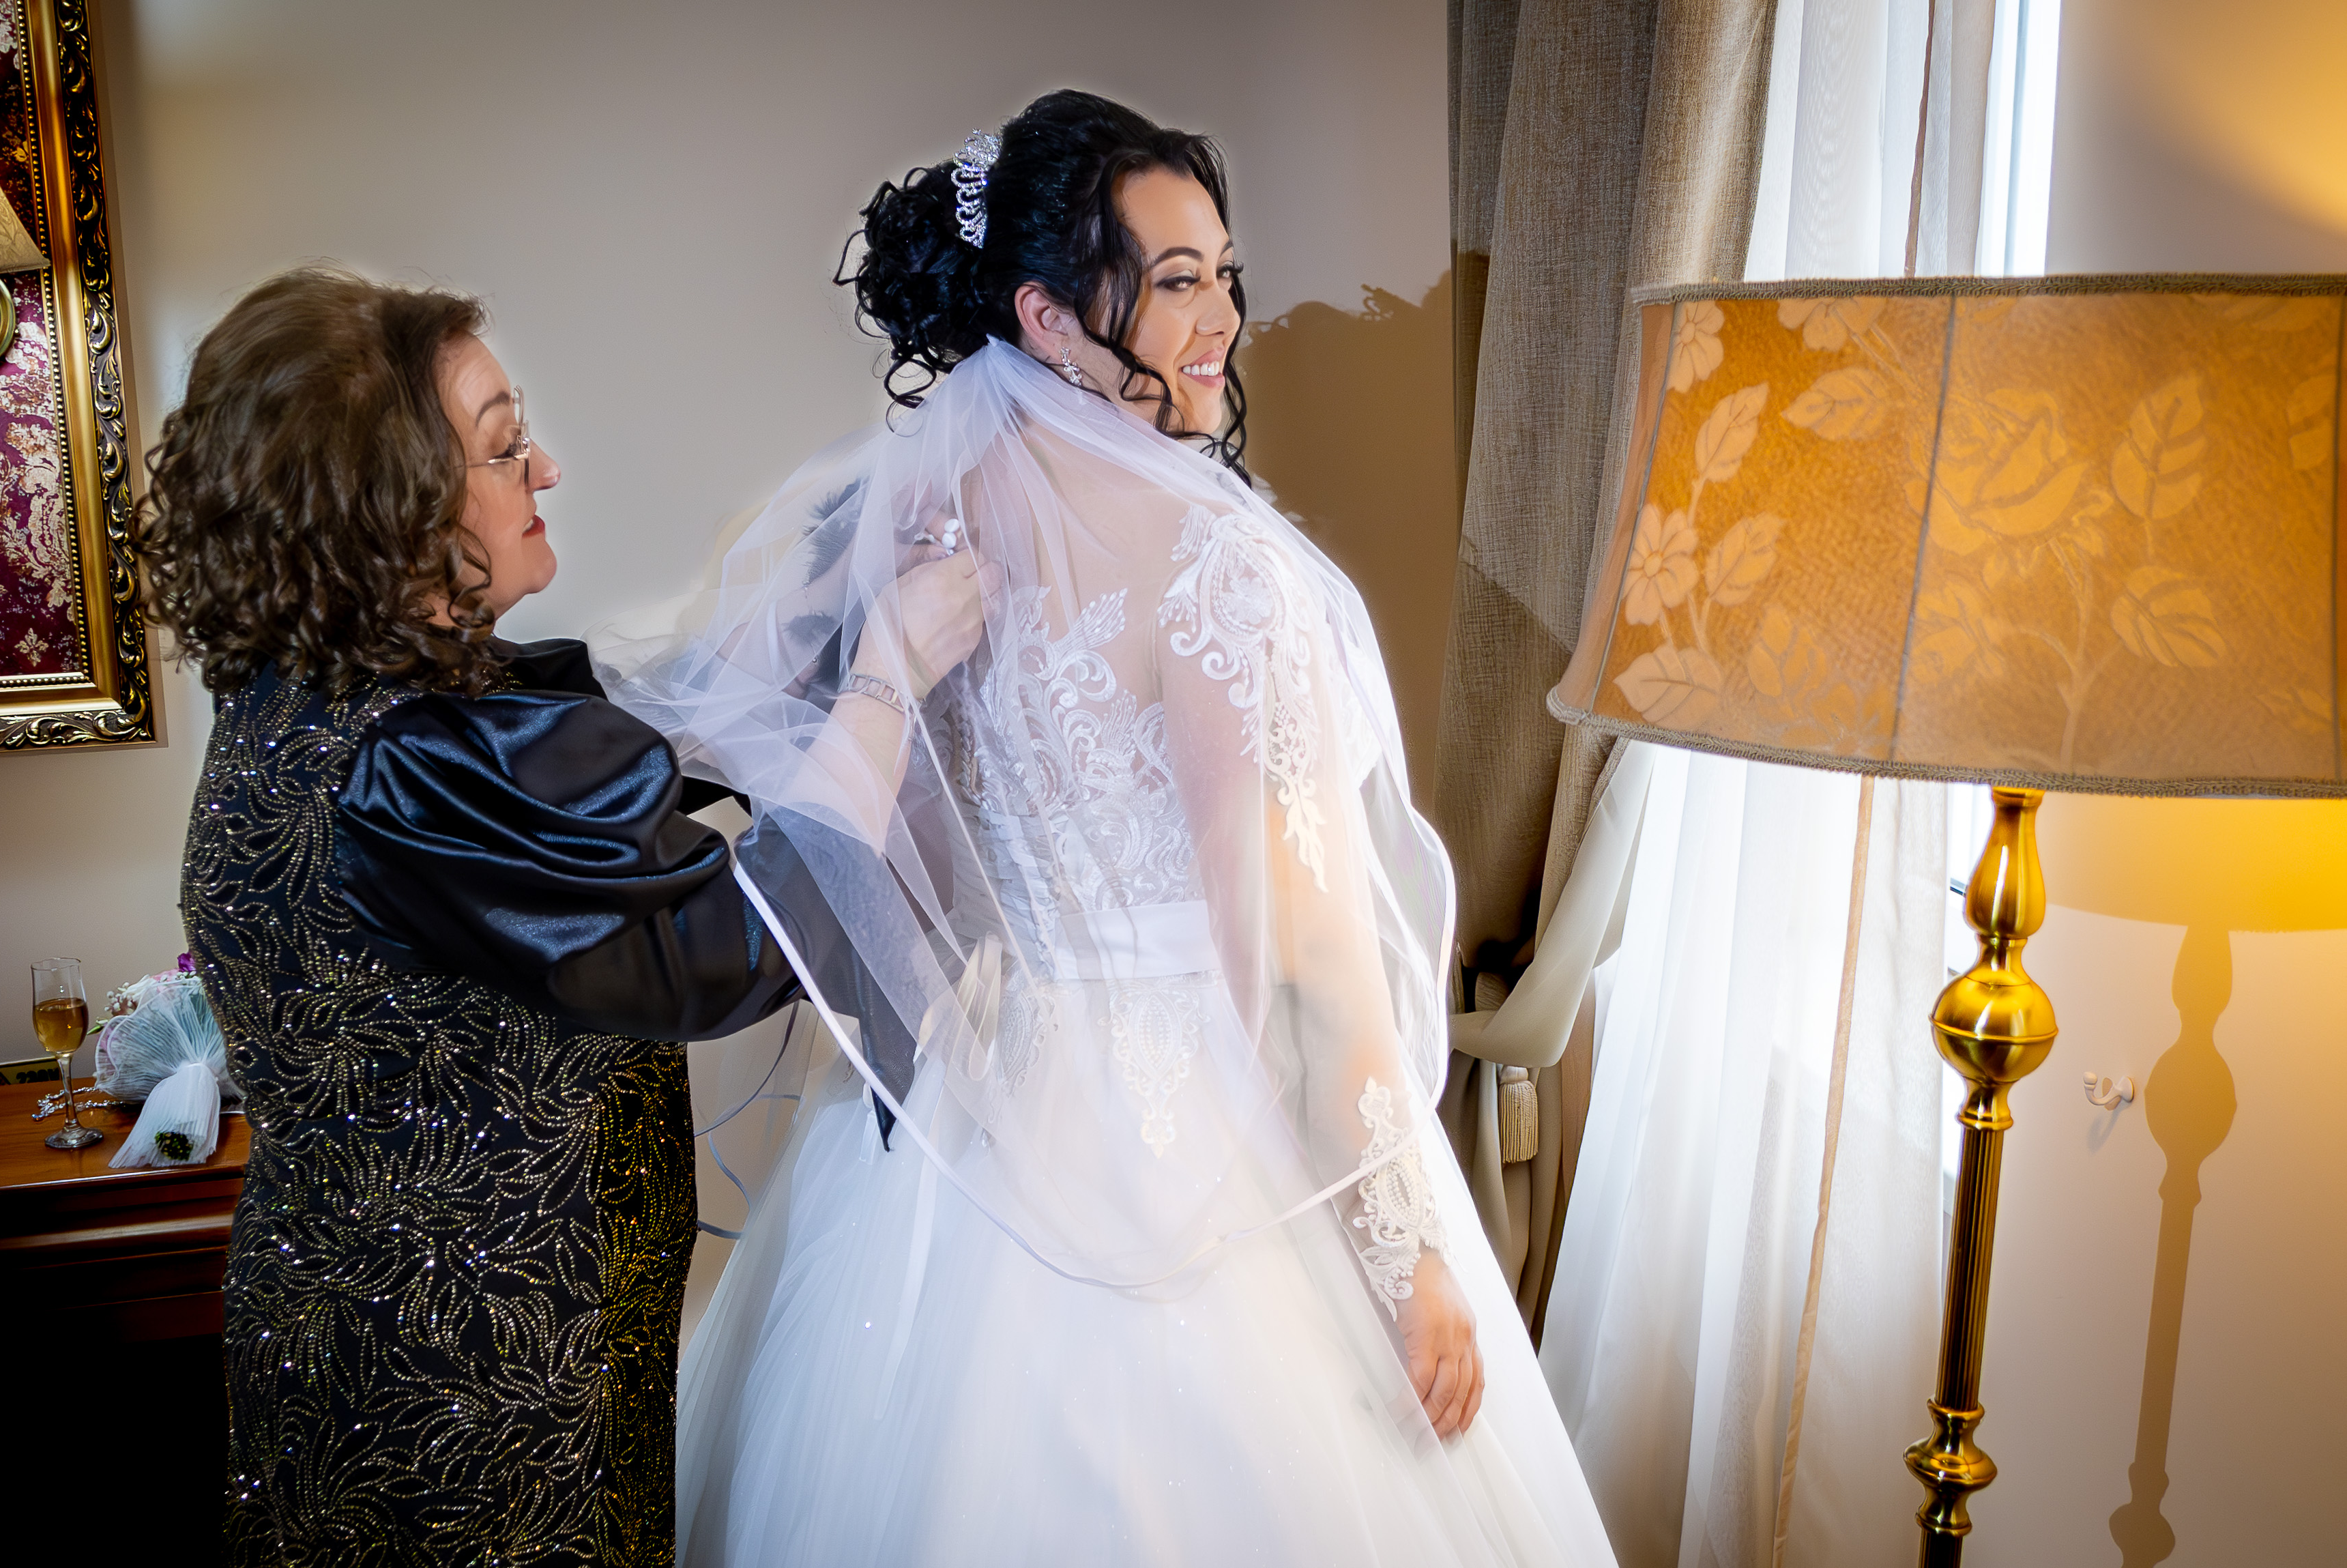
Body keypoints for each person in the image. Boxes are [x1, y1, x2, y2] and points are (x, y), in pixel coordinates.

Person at [599, 92, 1618, 1565]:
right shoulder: (1219, 568)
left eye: (1225, 274)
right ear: (1049, 316)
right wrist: (1402, 1259)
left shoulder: (912, 511)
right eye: (1179, 280)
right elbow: (1301, 962)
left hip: (976, 1108)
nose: (1224, 321)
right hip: (1184, 1129)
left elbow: (759, 741)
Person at [139, 268, 980, 1567]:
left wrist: (833, 584)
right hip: (476, 1397)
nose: (546, 467)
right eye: (500, 445)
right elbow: (731, 946)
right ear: (391, 508)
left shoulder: (309, 696)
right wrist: (885, 678)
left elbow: (634, 743)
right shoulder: (412, 763)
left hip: (358, 1329)